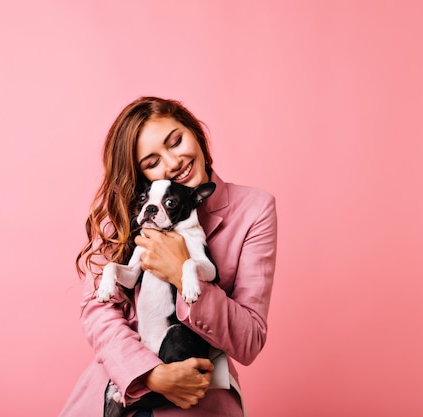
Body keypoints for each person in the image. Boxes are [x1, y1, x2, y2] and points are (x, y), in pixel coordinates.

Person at [59, 97, 277, 417]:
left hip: (195, 396)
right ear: (141, 175)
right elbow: (98, 312)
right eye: (152, 162)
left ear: (196, 133)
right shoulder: (131, 210)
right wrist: (150, 374)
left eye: (176, 141)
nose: (173, 162)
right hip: (119, 390)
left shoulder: (254, 209)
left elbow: (249, 339)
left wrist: (179, 270)